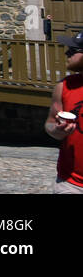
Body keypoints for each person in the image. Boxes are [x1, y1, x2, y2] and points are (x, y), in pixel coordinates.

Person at [46, 30, 83, 193]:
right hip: (70, 183)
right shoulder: (64, 86)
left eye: (73, 50)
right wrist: (57, 131)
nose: (67, 53)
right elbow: (50, 123)